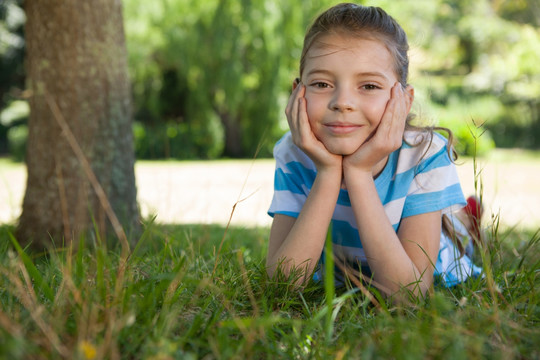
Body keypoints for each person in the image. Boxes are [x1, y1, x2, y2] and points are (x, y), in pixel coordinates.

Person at [266, 3, 482, 297]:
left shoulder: (423, 155)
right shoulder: (294, 153)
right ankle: (462, 218)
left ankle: (465, 224)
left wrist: (358, 172)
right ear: (297, 93)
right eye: (321, 83)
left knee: (456, 239)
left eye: (368, 86)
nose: (343, 102)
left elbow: (408, 295)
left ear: (403, 101)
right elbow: (282, 284)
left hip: (444, 256)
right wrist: (329, 173)